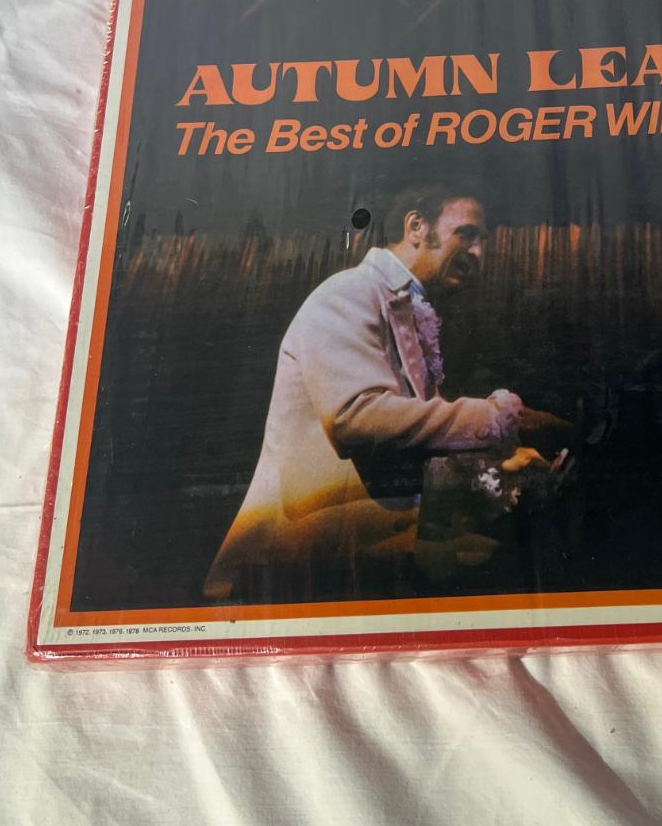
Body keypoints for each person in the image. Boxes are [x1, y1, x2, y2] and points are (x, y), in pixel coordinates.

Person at [204, 185, 570, 602]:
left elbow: (417, 440)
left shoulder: (406, 306)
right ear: (416, 226)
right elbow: (356, 417)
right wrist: (500, 418)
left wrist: (500, 464)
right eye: (467, 234)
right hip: (302, 561)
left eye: (481, 239)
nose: (478, 253)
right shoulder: (349, 292)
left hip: (354, 552)